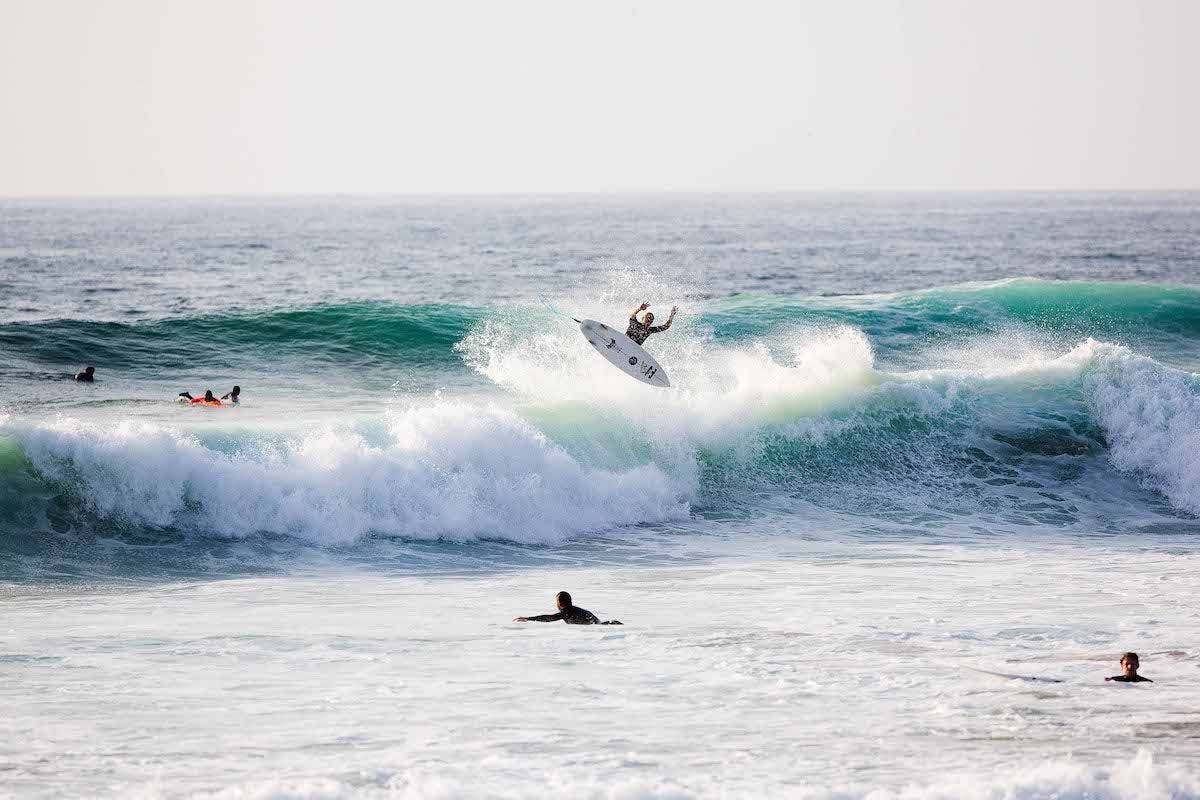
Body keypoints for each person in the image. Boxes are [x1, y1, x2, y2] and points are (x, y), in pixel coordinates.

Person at [513, 591, 622, 625]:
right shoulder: (575, 609)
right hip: (598, 625)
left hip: (595, 629)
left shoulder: (566, 612)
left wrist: (528, 618)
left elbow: (549, 618)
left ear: (559, 603)